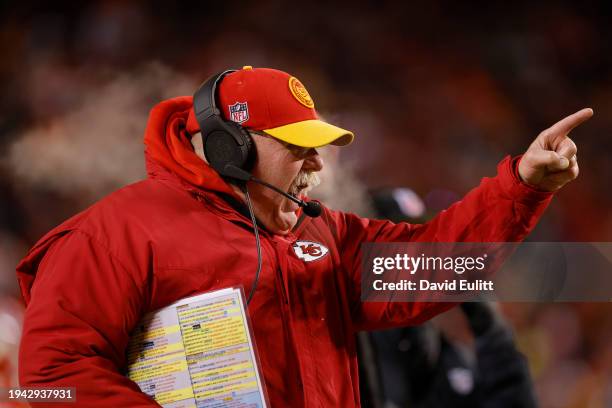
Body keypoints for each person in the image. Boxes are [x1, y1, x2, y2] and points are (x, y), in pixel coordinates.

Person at [16, 66, 591, 407]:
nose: (316, 166)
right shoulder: (113, 235)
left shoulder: (323, 234)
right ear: (229, 147)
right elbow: (49, 383)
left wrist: (521, 186)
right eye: (297, 146)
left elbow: (440, 268)